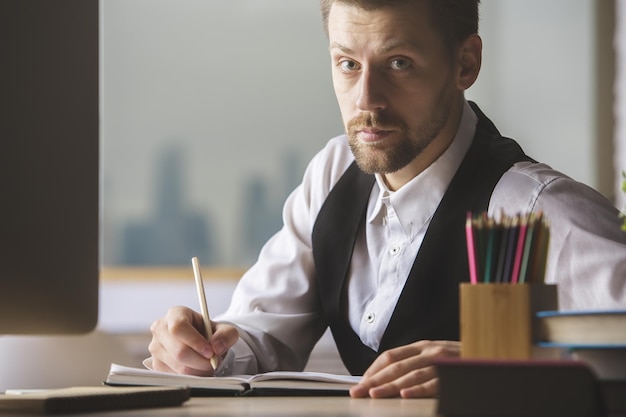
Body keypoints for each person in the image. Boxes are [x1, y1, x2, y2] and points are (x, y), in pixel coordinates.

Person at [148, 0, 626, 398]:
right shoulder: (332, 174)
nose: (366, 101)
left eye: (399, 63)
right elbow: (261, 332)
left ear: (465, 64)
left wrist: (509, 364)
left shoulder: (539, 209)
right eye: (348, 64)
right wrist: (202, 349)